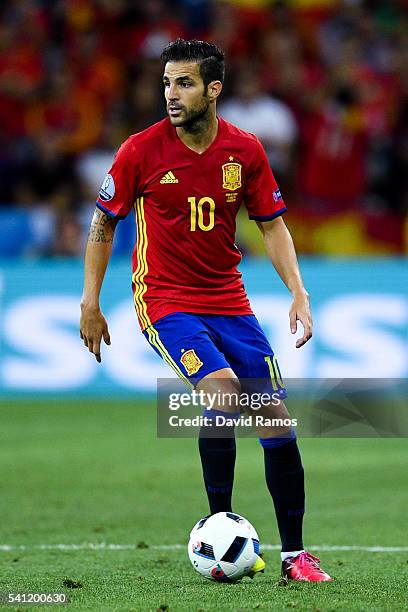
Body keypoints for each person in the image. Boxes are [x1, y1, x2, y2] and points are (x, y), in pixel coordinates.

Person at [79, 39, 332, 582]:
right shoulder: (139, 151)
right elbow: (103, 225)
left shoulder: (246, 151)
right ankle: (219, 524)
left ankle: (294, 557)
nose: (171, 94)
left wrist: (299, 292)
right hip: (165, 300)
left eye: (185, 83)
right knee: (220, 392)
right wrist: (90, 302)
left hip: (231, 302)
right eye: (167, 82)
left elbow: (272, 224)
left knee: (276, 422)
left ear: (214, 89)